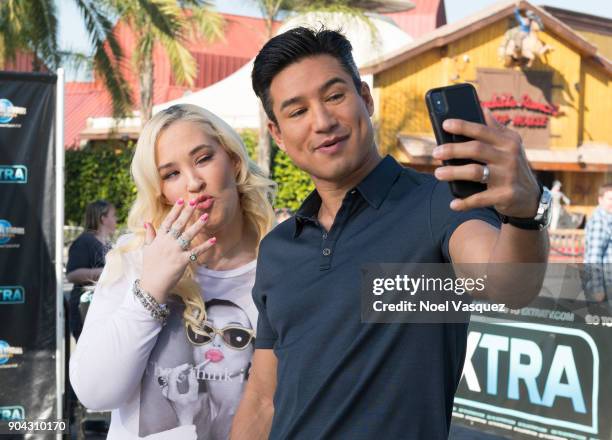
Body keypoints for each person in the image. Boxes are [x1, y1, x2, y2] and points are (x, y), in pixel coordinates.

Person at [231, 27, 550, 439]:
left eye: (334, 96)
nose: (323, 121)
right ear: (277, 134)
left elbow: (508, 283)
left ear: (365, 99)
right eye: (297, 111)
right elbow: (262, 397)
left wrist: (525, 213)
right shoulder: (277, 248)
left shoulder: (439, 205)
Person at [70, 104, 276, 439]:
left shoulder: (283, 262)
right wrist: (151, 288)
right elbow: (96, 392)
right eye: (171, 174)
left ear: (234, 162)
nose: (194, 182)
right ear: (161, 191)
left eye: (203, 159)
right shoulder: (135, 256)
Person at [66, 200, 117, 340]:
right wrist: (106, 272)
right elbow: (72, 275)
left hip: (102, 309)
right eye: (113, 215)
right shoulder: (84, 242)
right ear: (103, 218)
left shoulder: (107, 243)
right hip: (85, 308)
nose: (116, 220)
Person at [583, 183, 612, 302]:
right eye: (610, 199)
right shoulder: (599, 222)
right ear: (600, 200)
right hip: (605, 286)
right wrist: (597, 289)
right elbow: (594, 258)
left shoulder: (608, 219)